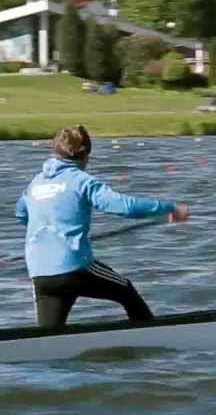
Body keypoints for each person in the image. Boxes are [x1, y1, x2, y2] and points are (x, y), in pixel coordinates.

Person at [16, 125, 188, 330]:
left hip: (40, 273)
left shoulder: (35, 184)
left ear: (56, 151)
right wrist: (169, 209)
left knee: (48, 338)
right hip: (74, 268)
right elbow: (125, 207)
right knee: (126, 291)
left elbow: (21, 214)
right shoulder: (81, 180)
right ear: (86, 154)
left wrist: (49, 229)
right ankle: (154, 338)